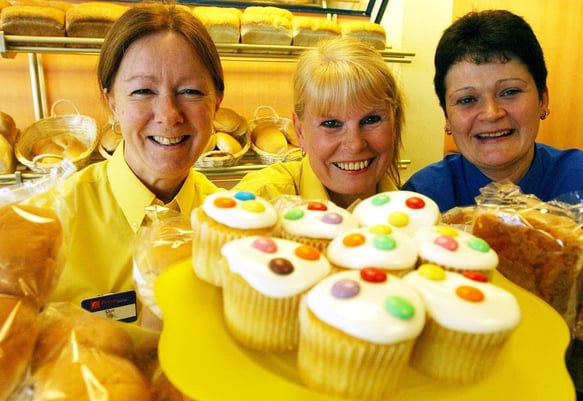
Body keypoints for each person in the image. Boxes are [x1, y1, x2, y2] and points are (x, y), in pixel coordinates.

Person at [35, 4, 225, 322]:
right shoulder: (51, 221)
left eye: (190, 91)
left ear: (216, 104)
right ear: (112, 104)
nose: (168, 115)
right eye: (142, 91)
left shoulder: (227, 224)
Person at [402, 9, 583, 219]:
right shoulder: (421, 199)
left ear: (543, 100)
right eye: (467, 99)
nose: (491, 114)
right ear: (447, 117)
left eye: (510, 92)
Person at [233, 37, 405, 210]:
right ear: (300, 132)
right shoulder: (259, 201)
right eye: (331, 124)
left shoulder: (417, 204)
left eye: (370, 120)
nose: (355, 145)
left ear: (394, 122)